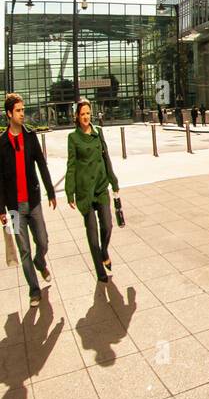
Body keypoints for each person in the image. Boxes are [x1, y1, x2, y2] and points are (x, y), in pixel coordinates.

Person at [0, 94, 57, 308]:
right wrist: (1, 209)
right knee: (24, 250)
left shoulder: (30, 137)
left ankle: (40, 261)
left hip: (33, 202)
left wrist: (50, 191)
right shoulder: (2, 143)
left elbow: (42, 165)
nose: (22, 113)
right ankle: (34, 290)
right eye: (18, 110)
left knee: (42, 241)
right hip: (13, 208)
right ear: (9, 114)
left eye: (23, 110)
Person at [65, 98, 120, 283]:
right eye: (82, 114)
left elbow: (106, 159)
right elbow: (71, 165)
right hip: (84, 192)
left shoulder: (98, 132)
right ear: (77, 117)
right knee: (92, 235)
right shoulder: (73, 138)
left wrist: (114, 182)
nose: (86, 117)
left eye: (88, 113)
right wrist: (69, 191)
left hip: (101, 187)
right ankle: (100, 270)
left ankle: (104, 251)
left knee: (107, 225)